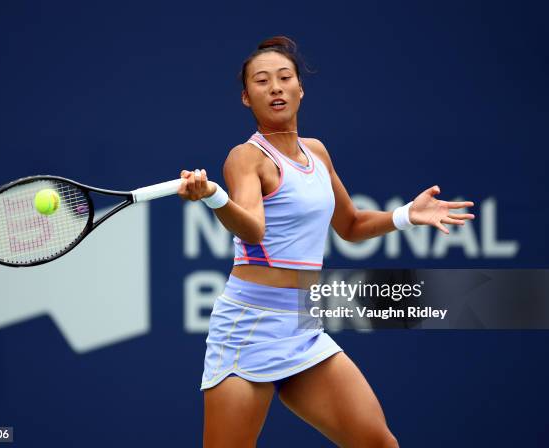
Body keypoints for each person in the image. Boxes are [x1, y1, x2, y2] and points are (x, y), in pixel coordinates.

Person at [177, 36, 474, 448]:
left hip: (303, 324)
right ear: (247, 98)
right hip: (250, 326)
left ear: (300, 88)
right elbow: (251, 230)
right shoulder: (245, 158)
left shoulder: (317, 152)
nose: (276, 88)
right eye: (262, 82)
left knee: (379, 444)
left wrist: (407, 215)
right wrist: (213, 196)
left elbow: (350, 225)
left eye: (285, 78)